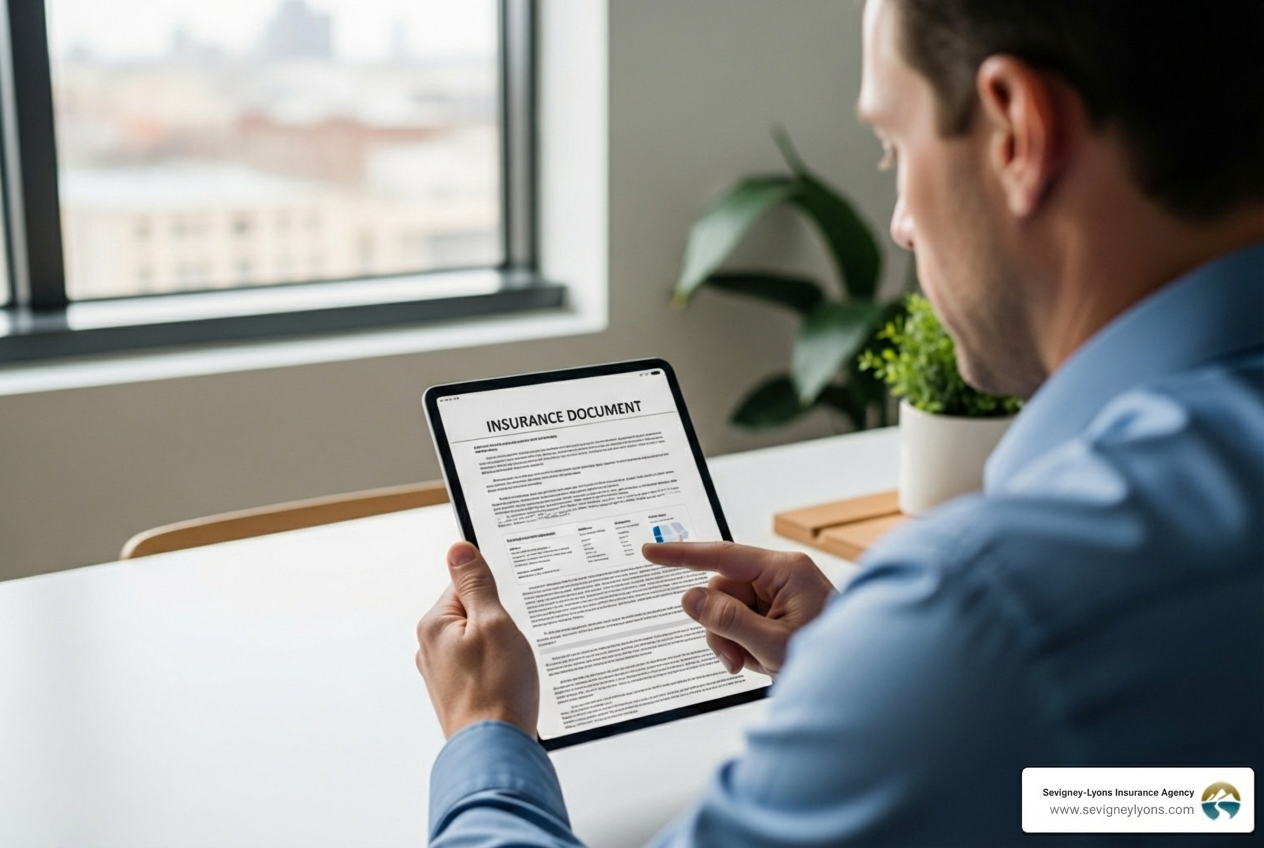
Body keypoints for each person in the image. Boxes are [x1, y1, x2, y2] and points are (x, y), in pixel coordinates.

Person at [415, 0, 1264, 844]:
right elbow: (1207, 799)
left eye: (894, 148)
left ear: (1016, 131)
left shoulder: (996, 607)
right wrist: (878, 683)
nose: (898, 224)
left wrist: (487, 733)